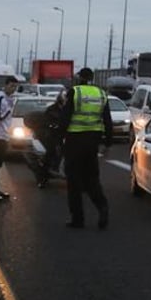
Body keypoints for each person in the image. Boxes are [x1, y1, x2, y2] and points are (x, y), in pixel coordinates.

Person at [58, 67, 113, 229]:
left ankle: (78, 219)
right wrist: (107, 143)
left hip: (74, 141)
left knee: (74, 181)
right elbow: (107, 121)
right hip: (93, 142)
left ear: (80, 78)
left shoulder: (75, 92)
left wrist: (59, 139)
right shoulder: (101, 94)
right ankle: (102, 207)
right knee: (92, 179)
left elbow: (65, 118)